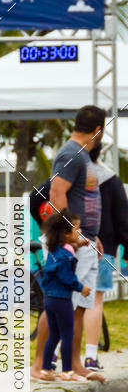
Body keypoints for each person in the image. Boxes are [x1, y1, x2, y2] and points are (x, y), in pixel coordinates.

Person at [30, 105, 106, 382]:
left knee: (80, 305)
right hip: (73, 242)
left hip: (85, 241)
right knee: (58, 303)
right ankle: (38, 364)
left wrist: (93, 236)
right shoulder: (70, 153)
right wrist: (69, 238)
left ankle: (74, 365)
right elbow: (56, 193)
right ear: (98, 129)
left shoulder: (82, 155)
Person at [82, 143, 128, 370]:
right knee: (94, 301)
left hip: (72, 247)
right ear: (100, 152)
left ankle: (56, 356)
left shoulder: (68, 175)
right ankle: (90, 357)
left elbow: (37, 199)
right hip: (104, 250)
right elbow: (122, 219)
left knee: (67, 301)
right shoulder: (111, 179)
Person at [39, 212, 91, 383]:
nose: (80, 230)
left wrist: (79, 244)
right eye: (77, 228)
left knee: (54, 335)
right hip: (62, 300)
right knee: (67, 335)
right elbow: (66, 277)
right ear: (66, 234)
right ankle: (68, 372)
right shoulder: (65, 256)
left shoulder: (55, 250)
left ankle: (45, 370)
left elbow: (68, 250)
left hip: (49, 299)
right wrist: (81, 287)